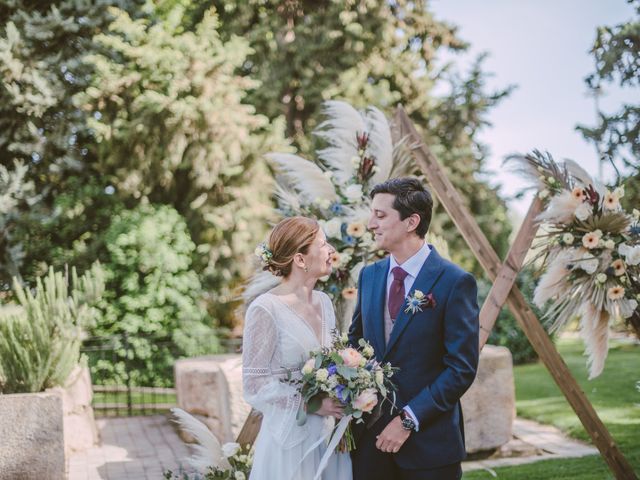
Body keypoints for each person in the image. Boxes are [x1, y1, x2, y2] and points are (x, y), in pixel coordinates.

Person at [348, 177, 480, 480]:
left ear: (412, 221)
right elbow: (357, 344)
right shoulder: (369, 276)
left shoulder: (454, 281)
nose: (371, 224)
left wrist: (408, 419)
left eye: (380, 215)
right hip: (370, 443)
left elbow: (461, 368)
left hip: (429, 446)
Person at [242, 216, 353, 480]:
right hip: (290, 442)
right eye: (323, 244)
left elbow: (331, 362)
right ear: (300, 259)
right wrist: (312, 403)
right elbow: (254, 385)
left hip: (329, 437)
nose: (331, 251)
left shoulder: (325, 303)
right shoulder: (265, 309)